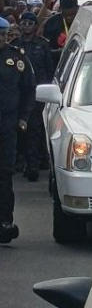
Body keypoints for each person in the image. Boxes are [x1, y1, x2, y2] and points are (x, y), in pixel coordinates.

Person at [0, 16, 36, 243]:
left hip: (7, 124)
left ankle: (5, 221)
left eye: (3, 35)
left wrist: (24, 117)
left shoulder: (16, 58)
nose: (1, 38)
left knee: (4, 173)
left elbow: (28, 89)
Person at [13, 12, 53, 182]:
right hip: (19, 93)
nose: (27, 26)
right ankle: (23, 161)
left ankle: (33, 165)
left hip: (38, 93)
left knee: (35, 129)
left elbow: (49, 69)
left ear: (36, 26)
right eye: (24, 23)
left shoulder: (42, 45)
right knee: (20, 129)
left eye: (30, 23)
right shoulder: (15, 45)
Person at [42, 0, 79, 65]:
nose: (69, 18)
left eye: (72, 14)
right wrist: (61, 51)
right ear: (60, 9)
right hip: (57, 64)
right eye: (66, 15)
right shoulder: (52, 23)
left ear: (77, 8)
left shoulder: (83, 21)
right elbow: (46, 50)